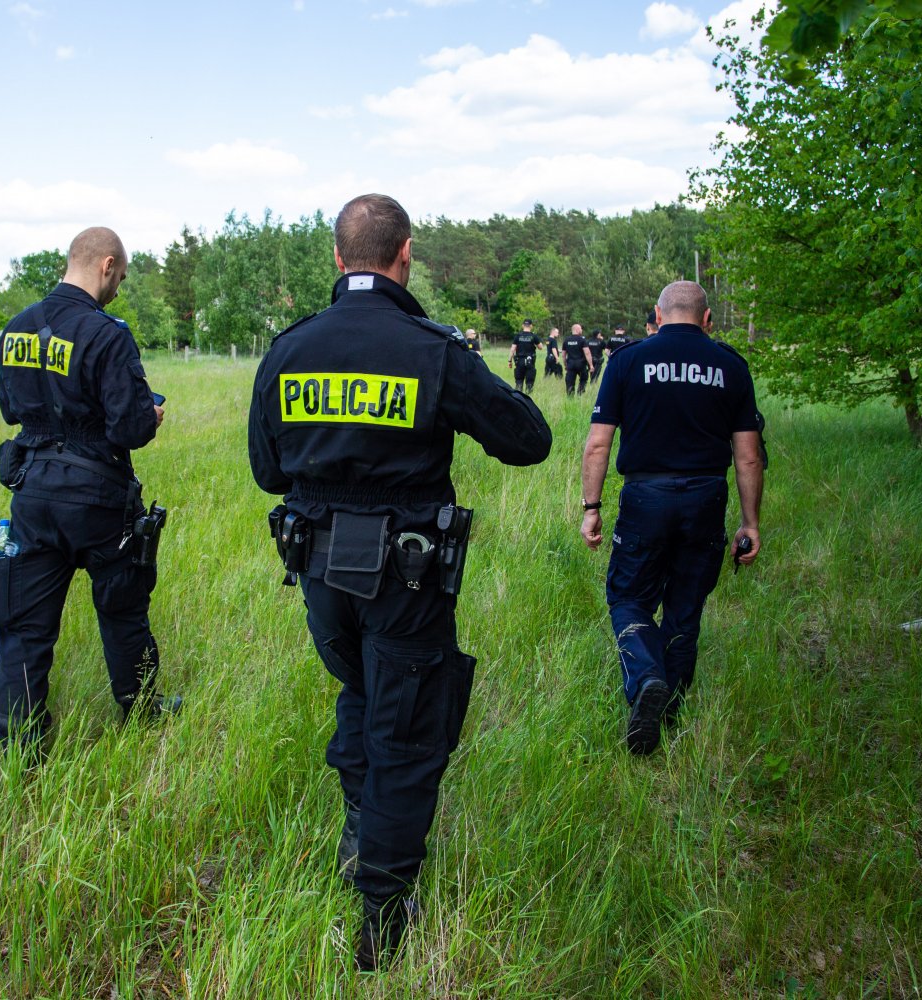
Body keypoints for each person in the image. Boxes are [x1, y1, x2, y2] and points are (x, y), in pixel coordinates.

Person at [248, 194, 552, 971]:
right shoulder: (432, 349)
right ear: (405, 253)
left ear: (337, 256)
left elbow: (268, 471)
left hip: (321, 575)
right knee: (407, 733)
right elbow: (529, 440)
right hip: (404, 578)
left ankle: (361, 833)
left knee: (361, 693)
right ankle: (383, 916)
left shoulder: (289, 349)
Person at [0, 226, 179, 755]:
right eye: (122, 276)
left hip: (32, 492)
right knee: (122, 608)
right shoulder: (107, 334)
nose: (119, 287)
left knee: (23, 627)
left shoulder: (16, 328)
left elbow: (10, 410)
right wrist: (151, 416)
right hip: (97, 496)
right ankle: (140, 710)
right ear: (106, 265)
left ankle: (20, 748)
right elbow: (131, 428)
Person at [579, 281, 763, 755]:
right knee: (685, 605)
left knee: (628, 598)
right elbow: (748, 456)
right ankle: (671, 712)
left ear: (658, 317)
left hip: (646, 496)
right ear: (708, 320)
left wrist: (592, 508)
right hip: (706, 497)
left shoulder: (627, 361)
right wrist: (750, 523)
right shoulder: (731, 366)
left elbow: (598, 443)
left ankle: (645, 680)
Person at [507, 318, 541, 394]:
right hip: (530, 362)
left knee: (519, 382)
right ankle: (528, 397)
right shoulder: (533, 336)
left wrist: (509, 361)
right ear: (531, 326)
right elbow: (540, 347)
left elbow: (512, 349)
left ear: (523, 325)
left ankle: (518, 398)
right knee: (529, 383)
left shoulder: (518, 336)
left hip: (519, 362)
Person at [561, 323, 592, 396]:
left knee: (570, 381)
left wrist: (565, 364)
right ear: (577, 329)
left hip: (570, 364)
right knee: (583, 379)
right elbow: (587, 353)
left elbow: (563, 355)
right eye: (581, 328)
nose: (582, 330)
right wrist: (591, 365)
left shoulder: (566, 340)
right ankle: (580, 394)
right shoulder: (582, 340)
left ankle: (570, 397)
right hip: (581, 364)